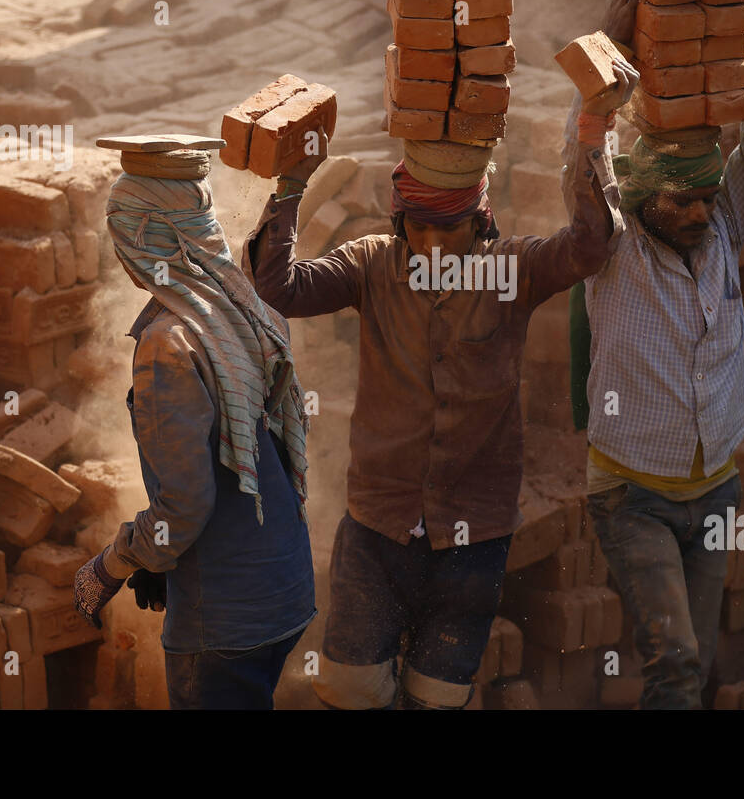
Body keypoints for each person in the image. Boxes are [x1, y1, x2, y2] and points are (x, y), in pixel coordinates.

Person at [244, 35, 639, 709]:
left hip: (473, 535)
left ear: (479, 221)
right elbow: (277, 286)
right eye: (417, 226)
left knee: (437, 698)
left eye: (446, 228)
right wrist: (290, 185)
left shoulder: (511, 268)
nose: (429, 242)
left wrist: (594, 133)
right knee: (351, 690)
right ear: (399, 220)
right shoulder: (371, 262)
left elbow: (591, 246)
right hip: (377, 528)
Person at [569, 0, 744, 709]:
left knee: (692, 667)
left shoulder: (724, 225)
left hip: (716, 487)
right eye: (683, 204)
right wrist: (606, 48)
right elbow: (584, 164)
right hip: (632, 493)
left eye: (706, 199)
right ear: (643, 198)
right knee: (675, 661)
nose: (701, 215)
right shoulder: (614, 245)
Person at [73, 147, 316, 710]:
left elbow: (183, 506)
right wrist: (164, 558)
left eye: (120, 231)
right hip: (281, 586)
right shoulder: (241, 304)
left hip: (226, 617)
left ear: (144, 239)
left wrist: (111, 567)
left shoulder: (166, 346)